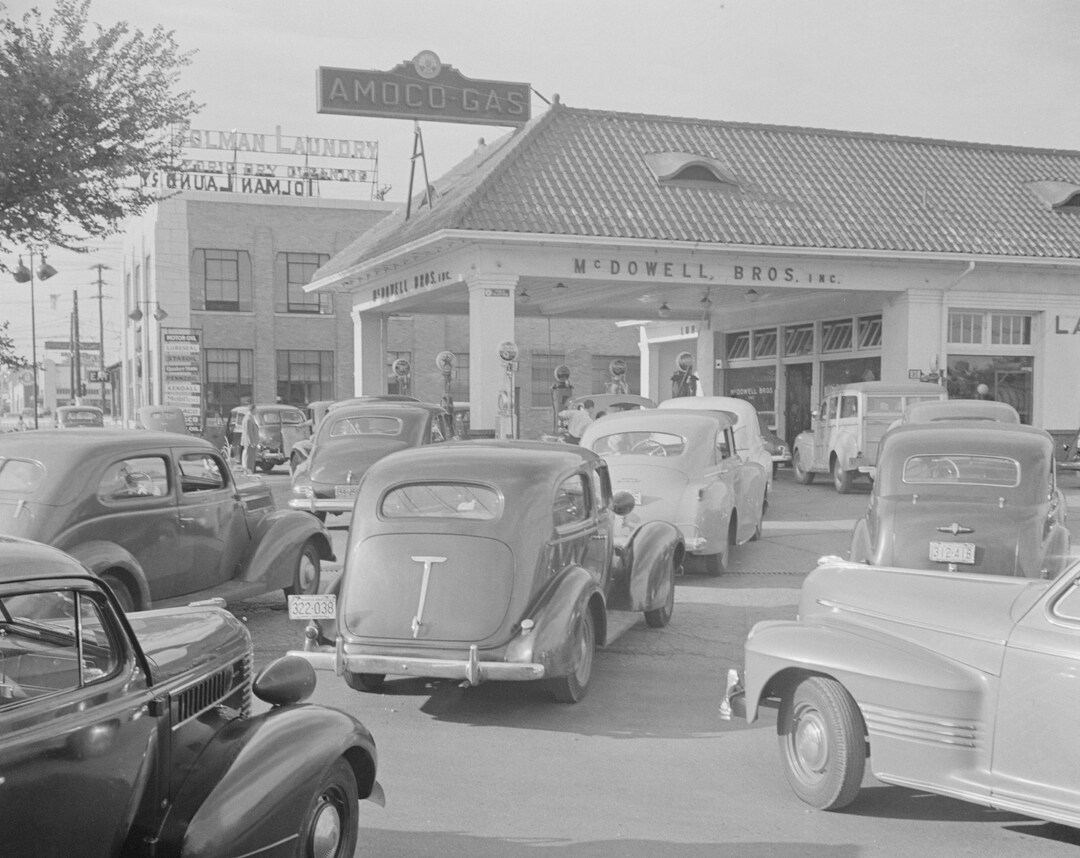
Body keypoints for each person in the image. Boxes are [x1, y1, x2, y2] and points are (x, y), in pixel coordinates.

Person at [240, 408, 259, 472]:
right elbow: (248, 432)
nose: (256, 411)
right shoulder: (248, 419)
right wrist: (252, 442)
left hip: (251, 443)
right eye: (255, 410)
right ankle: (248, 472)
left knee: (251, 459)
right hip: (249, 443)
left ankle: (249, 471)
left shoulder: (250, 418)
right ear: (252, 410)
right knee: (248, 459)